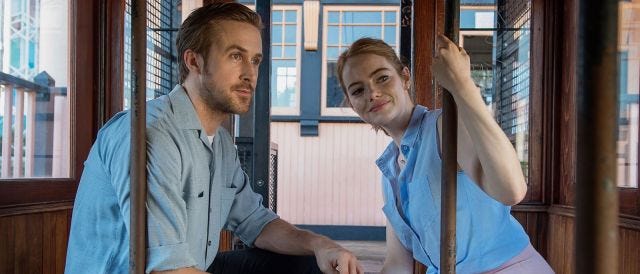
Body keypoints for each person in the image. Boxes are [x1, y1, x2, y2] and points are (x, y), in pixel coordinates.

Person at [65, 3, 363, 274]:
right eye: (235, 56)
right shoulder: (151, 134)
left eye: (255, 60)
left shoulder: (220, 144)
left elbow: (256, 222)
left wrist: (321, 244)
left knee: (309, 263)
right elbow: (168, 270)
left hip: (191, 266)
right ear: (194, 61)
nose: (250, 73)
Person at [336, 36, 554, 274]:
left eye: (382, 78)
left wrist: (462, 85)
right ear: (352, 104)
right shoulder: (389, 171)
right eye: (358, 90)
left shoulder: (443, 128)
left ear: (405, 77)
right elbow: (398, 263)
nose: (373, 93)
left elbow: (511, 190)